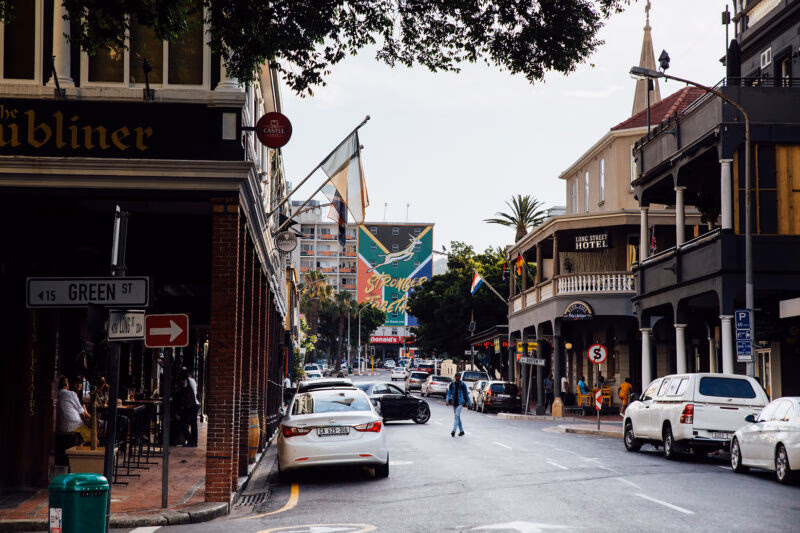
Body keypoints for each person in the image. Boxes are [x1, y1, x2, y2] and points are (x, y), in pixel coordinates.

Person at [57, 375, 92, 443]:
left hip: (62, 426)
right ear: (67, 384)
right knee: (94, 439)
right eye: (76, 383)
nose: (78, 385)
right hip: (74, 426)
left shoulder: (57, 393)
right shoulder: (71, 394)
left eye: (80, 383)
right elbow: (83, 414)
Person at [445, 372, 471, 437]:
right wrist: (447, 400)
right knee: (457, 417)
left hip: (460, 402)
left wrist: (470, 403)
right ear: (455, 377)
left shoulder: (463, 384)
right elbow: (449, 393)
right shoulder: (452, 384)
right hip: (454, 403)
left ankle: (453, 431)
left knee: (456, 416)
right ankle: (461, 431)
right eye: (456, 376)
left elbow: (466, 394)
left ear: (460, 377)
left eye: (458, 376)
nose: (457, 378)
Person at [178, 368, 200, 447]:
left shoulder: (186, 381)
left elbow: (183, 393)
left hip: (191, 406)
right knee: (194, 425)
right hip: (195, 404)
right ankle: (194, 442)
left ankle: (191, 440)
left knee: (183, 423)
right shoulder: (192, 380)